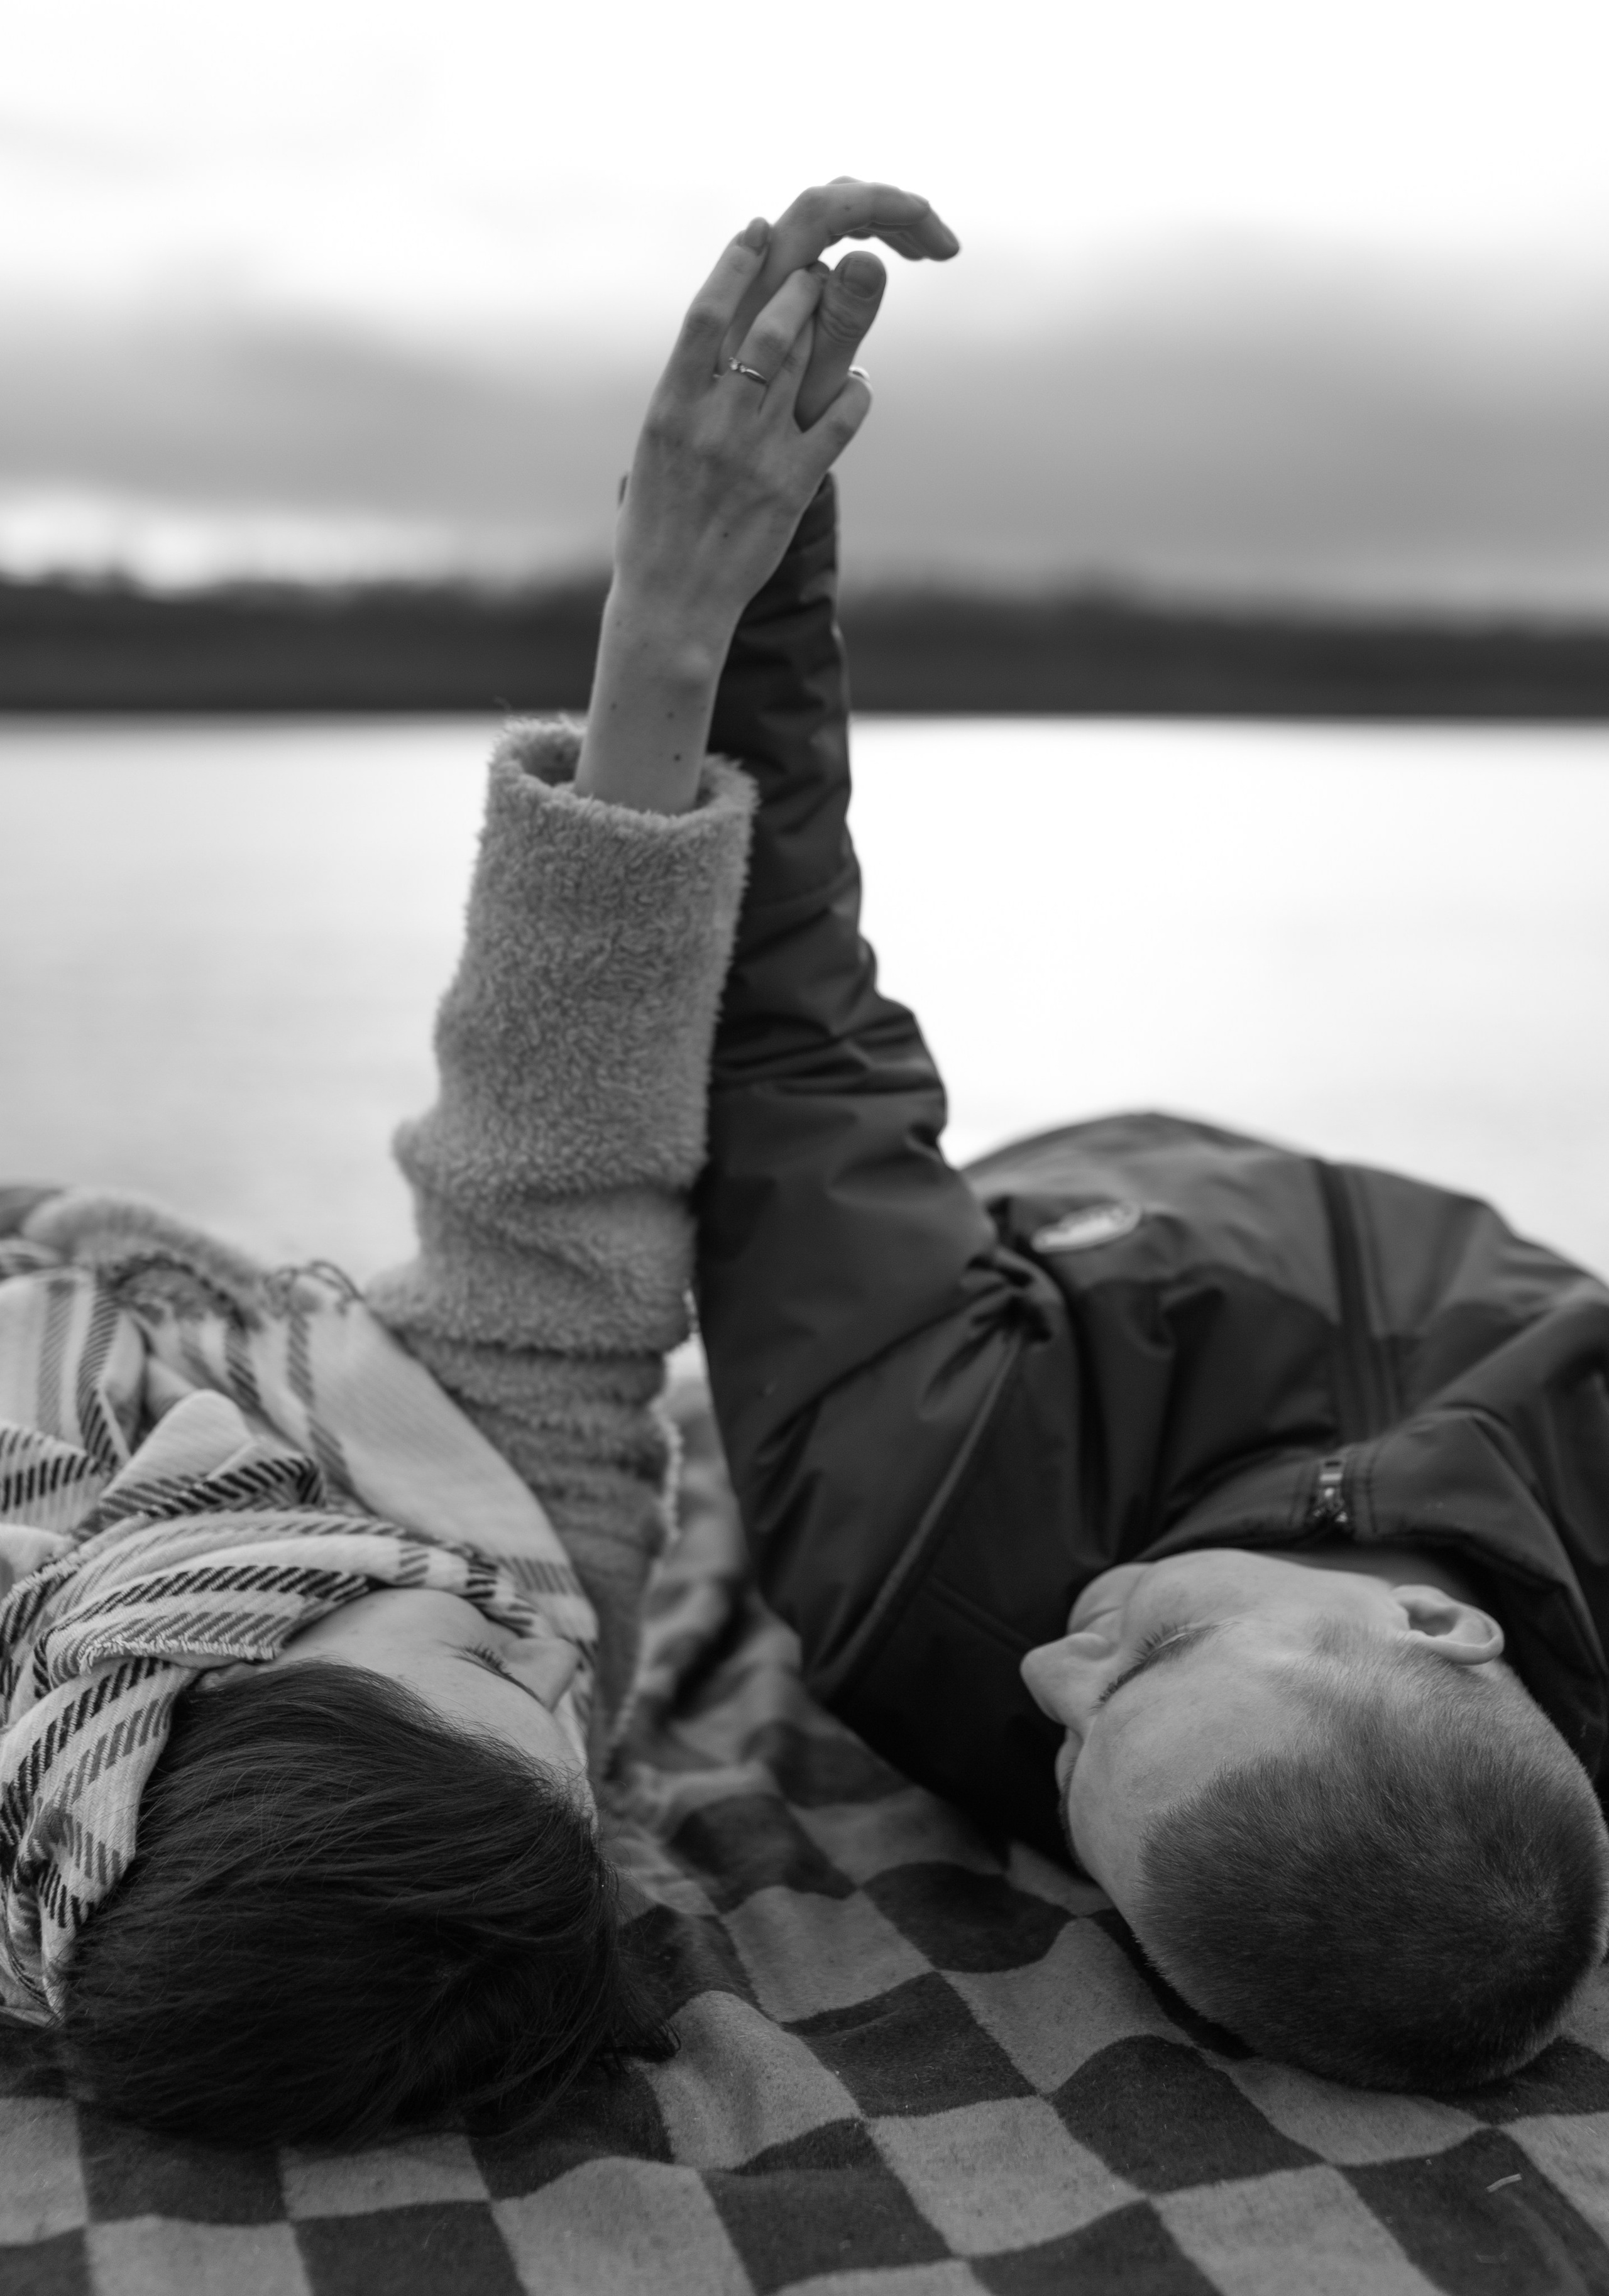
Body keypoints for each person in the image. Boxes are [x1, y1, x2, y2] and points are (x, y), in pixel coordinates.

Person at [0, 180, 957, 2147]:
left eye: (477, 1654)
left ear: (223, 1684)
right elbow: (561, 1140)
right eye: (567, 1734)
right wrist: (670, 616)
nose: (559, 1638)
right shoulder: (513, 1551)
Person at [695, 469, 1609, 2095]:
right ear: (1433, 1624)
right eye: (1158, 1661)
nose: (1049, 1672)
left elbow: (778, 1029)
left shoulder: (923, 1546)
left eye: (1066, 1759)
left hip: (1025, 1253)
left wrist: (748, 571)